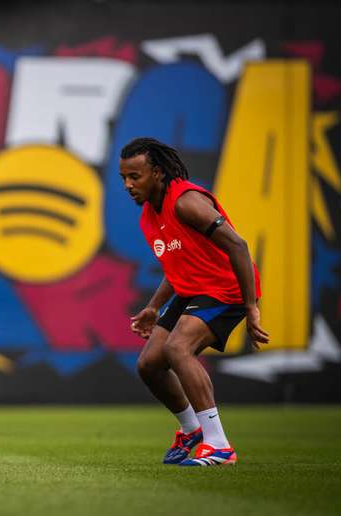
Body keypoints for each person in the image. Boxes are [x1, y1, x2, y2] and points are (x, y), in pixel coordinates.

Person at [120, 137, 269, 467]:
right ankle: (192, 429)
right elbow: (178, 267)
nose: (128, 185)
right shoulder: (150, 214)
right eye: (124, 178)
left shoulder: (186, 202)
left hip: (226, 289)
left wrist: (250, 306)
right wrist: (154, 306)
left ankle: (219, 446)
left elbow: (239, 246)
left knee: (177, 349)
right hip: (194, 290)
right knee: (149, 364)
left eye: (135, 176)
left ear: (157, 173)